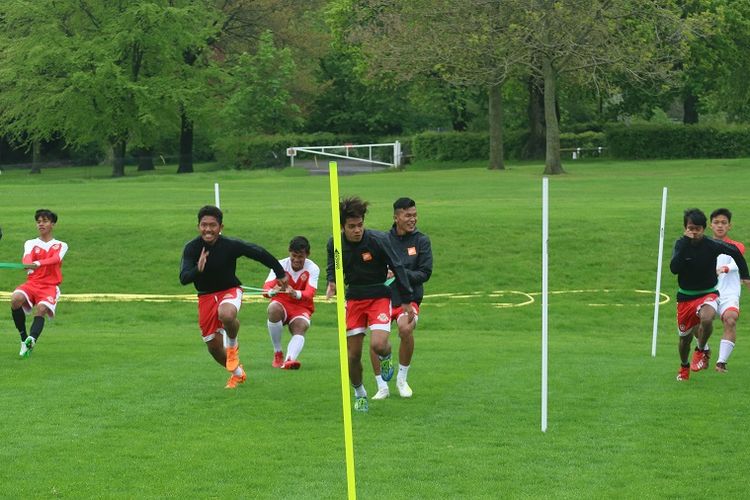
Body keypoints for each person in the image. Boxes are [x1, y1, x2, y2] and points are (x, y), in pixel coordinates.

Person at [180, 205, 287, 389]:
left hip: (229, 290)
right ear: (198, 226)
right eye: (204, 225)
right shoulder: (191, 248)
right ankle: (238, 374)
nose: (208, 229)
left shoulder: (230, 245)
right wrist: (198, 269)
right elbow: (183, 278)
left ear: (221, 227)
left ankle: (232, 346)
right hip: (205, 297)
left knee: (227, 314)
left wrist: (280, 272)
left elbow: (258, 252)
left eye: (212, 225)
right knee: (213, 348)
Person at [326, 196, 414, 412]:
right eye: (351, 227)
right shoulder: (335, 244)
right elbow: (334, 266)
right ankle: (360, 393)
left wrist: (405, 299)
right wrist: (331, 282)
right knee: (353, 356)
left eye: (360, 225)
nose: (357, 230)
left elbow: (398, 265)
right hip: (354, 299)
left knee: (378, 344)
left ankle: (386, 356)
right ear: (342, 227)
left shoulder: (378, 240)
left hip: (378, 296)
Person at [669, 208, 750, 381]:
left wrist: (745, 276)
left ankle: (700, 351)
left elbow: (735, 251)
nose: (694, 232)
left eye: (698, 228)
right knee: (684, 339)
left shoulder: (711, 245)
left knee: (707, 318)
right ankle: (684, 366)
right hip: (685, 296)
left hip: (708, 293)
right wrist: (684, 243)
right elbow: (674, 269)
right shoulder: (680, 244)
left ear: (704, 229)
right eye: (691, 228)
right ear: (685, 228)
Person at [370, 197, 432, 399]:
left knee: (405, 328)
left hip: (410, 297)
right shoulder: (383, 240)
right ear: (396, 217)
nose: (412, 219)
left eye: (414, 215)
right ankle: (382, 386)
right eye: (408, 215)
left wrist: (399, 273)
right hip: (383, 299)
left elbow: (424, 273)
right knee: (376, 341)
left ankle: (402, 380)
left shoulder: (422, 241)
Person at [11, 209, 68, 358]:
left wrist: (37, 263)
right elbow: (27, 257)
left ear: (52, 224)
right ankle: (24, 339)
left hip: (49, 286)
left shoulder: (61, 245)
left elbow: (56, 259)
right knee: (16, 298)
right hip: (32, 283)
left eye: (45, 221)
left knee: (41, 309)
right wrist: (28, 264)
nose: (41, 224)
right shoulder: (30, 243)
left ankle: (32, 340)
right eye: (38, 222)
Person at [263, 236, 320, 370]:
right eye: (294, 255)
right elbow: (265, 289)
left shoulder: (313, 268)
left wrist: (296, 293)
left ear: (307, 255)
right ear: (289, 252)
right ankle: (278, 353)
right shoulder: (280, 265)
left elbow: (310, 293)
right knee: (273, 308)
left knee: (301, 326)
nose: (296, 260)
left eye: (300, 256)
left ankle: (289, 360)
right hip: (282, 302)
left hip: (301, 306)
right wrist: (272, 291)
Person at [709, 208, 745, 372]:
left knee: (730, 319)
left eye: (724, 223)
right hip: (708, 293)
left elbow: (737, 262)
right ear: (710, 225)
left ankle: (721, 363)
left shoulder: (736, 246)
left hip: (729, 295)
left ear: (729, 226)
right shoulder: (704, 247)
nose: (720, 226)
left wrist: (723, 268)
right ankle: (704, 349)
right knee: (695, 322)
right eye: (716, 222)